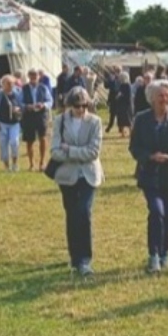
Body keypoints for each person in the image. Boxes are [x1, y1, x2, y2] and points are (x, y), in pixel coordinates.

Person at [129, 79, 168, 274]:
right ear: (152, 99)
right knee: (156, 212)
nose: (164, 100)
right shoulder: (141, 119)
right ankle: (153, 255)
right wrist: (149, 156)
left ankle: (166, 252)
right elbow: (134, 147)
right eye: (160, 96)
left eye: (167, 96)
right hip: (149, 175)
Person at [49, 87, 104, 277]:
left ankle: (85, 261)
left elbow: (93, 152)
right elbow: (55, 151)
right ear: (69, 105)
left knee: (84, 212)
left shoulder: (95, 121)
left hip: (88, 175)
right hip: (67, 176)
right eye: (76, 106)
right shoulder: (60, 121)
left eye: (84, 105)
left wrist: (70, 150)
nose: (81, 109)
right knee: (72, 215)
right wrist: (78, 152)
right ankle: (74, 256)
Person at [21, 69, 54, 171]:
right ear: (28, 76)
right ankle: (31, 164)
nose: (33, 77)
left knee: (42, 138)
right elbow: (19, 102)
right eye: (31, 75)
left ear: (38, 76)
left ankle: (42, 162)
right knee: (29, 140)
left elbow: (50, 101)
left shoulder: (43, 88)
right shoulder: (24, 88)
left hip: (41, 115)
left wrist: (43, 105)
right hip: (29, 116)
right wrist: (27, 106)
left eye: (35, 75)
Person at [0, 75, 23, 172]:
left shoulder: (17, 94)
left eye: (11, 83)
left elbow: (22, 106)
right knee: (3, 144)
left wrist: (18, 109)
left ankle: (15, 164)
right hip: (2, 123)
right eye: (7, 83)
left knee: (14, 142)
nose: (10, 85)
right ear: (3, 84)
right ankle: (6, 166)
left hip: (14, 123)